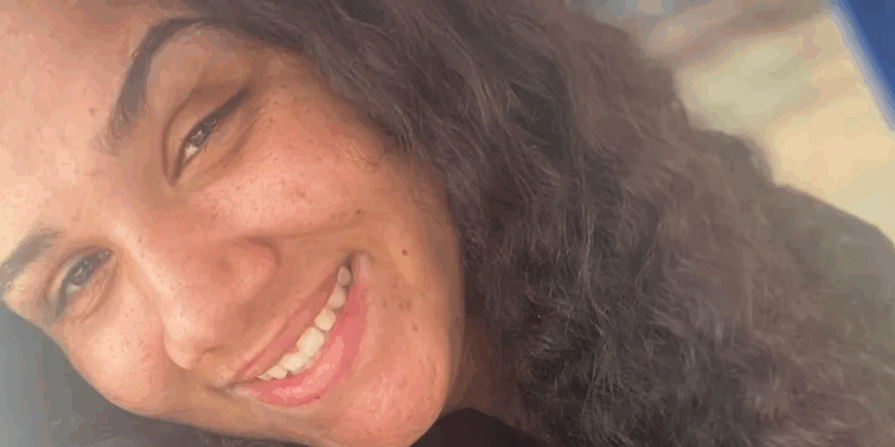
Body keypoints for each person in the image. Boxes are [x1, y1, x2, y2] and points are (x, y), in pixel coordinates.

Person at [1, 0, 893, 446]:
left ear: (377, 41)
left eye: (203, 129)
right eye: (76, 279)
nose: (201, 315)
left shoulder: (778, 276)